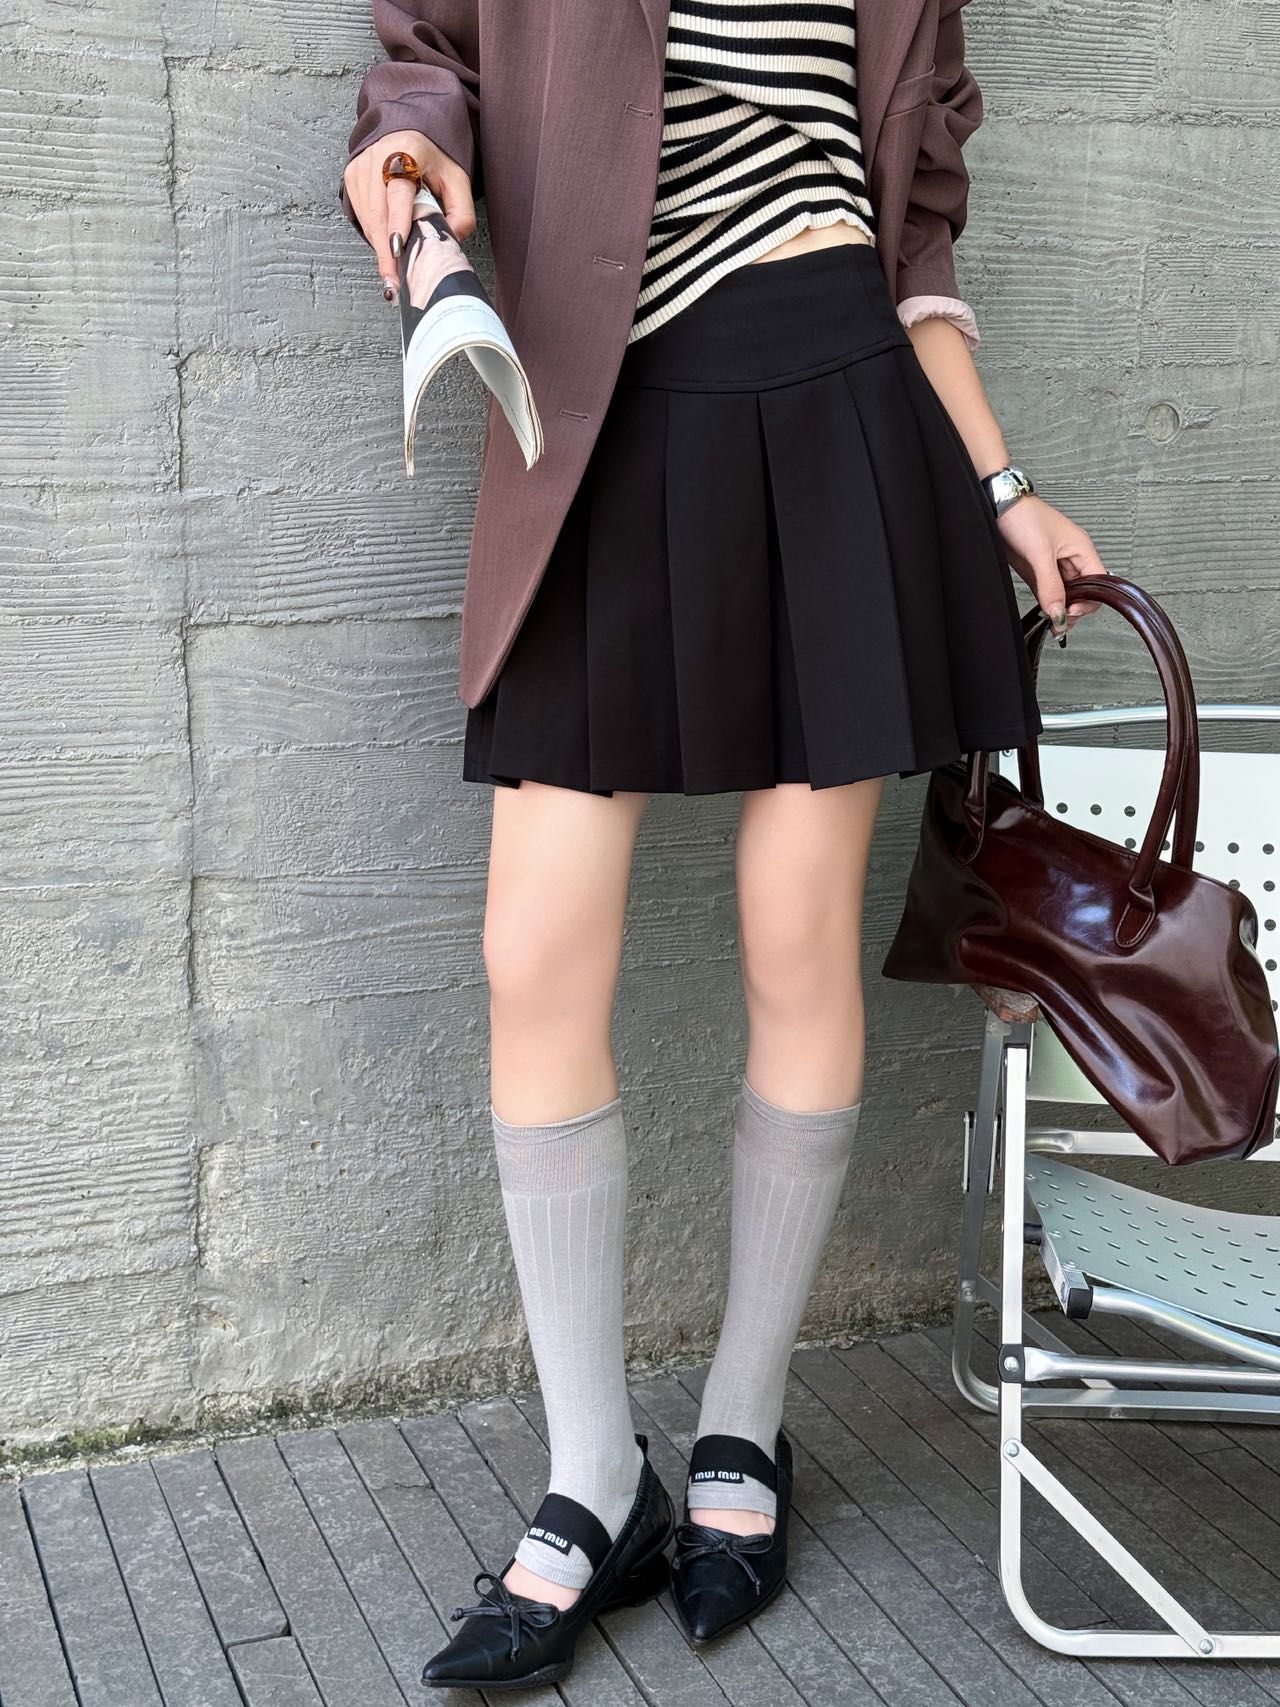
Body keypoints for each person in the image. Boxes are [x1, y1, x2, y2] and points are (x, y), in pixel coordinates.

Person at [340, 0, 1109, 1687]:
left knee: (796, 934)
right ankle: (592, 1475)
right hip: (592, 409)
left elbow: (914, 240)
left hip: (839, 407)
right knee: (532, 953)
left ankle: (746, 1428)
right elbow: (428, 58)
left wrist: (1004, 489)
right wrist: (402, 155)